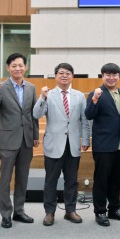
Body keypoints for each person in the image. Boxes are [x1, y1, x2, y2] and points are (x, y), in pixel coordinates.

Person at [0, 53, 39, 229]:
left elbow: (33, 114)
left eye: (20, 65)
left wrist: (36, 136)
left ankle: (19, 211)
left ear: (26, 67)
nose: (17, 68)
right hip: (7, 139)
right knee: (5, 179)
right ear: (8, 68)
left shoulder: (31, 88)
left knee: (23, 178)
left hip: (26, 140)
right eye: (14, 66)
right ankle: (6, 214)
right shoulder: (1, 87)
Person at [33, 62, 90, 226]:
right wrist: (42, 97)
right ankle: (49, 212)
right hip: (53, 145)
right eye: (61, 73)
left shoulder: (79, 96)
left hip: (73, 145)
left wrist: (85, 139)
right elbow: (36, 114)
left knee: (71, 180)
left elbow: (84, 120)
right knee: (50, 181)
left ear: (72, 76)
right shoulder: (48, 95)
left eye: (68, 73)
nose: (64, 76)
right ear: (56, 76)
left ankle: (70, 210)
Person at [85, 63, 120, 227]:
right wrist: (94, 100)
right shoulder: (97, 93)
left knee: (116, 179)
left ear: (119, 76)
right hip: (103, 144)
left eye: (115, 74)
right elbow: (89, 114)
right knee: (101, 179)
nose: (111, 77)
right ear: (102, 76)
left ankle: (114, 208)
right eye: (108, 74)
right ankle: (100, 211)